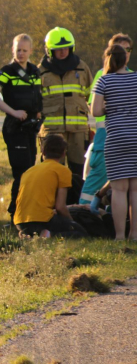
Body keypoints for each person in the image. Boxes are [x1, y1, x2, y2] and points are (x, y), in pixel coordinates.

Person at [0, 34, 42, 223]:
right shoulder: (7, 71)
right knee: (21, 172)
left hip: (31, 127)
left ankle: (25, 213)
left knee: (30, 171)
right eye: (18, 50)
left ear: (30, 51)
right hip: (15, 127)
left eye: (24, 50)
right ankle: (14, 215)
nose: (21, 53)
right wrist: (13, 111)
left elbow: (37, 96)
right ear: (13, 50)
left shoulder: (34, 71)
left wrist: (38, 113)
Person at [80, 33, 133, 205]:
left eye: (128, 49)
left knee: (121, 187)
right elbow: (93, 108)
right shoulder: (101, 75)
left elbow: (96, 108)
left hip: (116, 139)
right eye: (121, 50)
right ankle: (86, 212)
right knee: (112, 183)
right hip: (105, 137)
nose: (125, 53)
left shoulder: (110, 78)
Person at [91, 44, 137, 240]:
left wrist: (112, 108)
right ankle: (135, 234)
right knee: (135, 189)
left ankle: (119, 235)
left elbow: (96, 111)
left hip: (116, 138)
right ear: (125, 59)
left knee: (119, 190)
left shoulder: (104, 81)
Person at [37, 27, 94, 179]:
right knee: (52, 172)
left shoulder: (82, 68)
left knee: (79, 172)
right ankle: (55, 202)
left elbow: (91, 95)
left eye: (66, 48)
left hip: (78, 131)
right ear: (49, 50)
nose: (62, 52)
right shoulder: (40, 71)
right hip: (52, 131)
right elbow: (34, 100)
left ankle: (77, 202)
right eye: (58, 49)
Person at [14, 134, 87, 238]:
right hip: (42, 220)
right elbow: (60, 207)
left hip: (20, 221)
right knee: (81, 233)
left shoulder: (29, 171)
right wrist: (72, 223)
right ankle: (48, 235)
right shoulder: (62, 170)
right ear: (63, 153)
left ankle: (28, 234)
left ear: (43, 152)